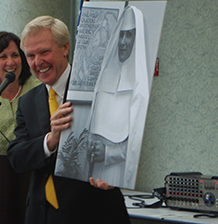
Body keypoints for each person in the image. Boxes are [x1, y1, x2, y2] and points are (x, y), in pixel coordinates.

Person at [7, 15, 131, 224]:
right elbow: (17, 157)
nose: (38, 62)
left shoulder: (101, 90)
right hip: (41, 216)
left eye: (45, 52)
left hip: (92, 213)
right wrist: (50, 140)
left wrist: (115, 174)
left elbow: (124, 143)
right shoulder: (27, 101)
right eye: (30, 55)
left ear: (65, 48)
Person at [87, 6, 149, 189]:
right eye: (120, 35)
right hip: (94, 171)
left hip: (117, 172)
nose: (123, 42)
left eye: (128, 35)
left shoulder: (139, 86)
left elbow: (134, 142)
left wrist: (108, 153)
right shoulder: (103, 79)